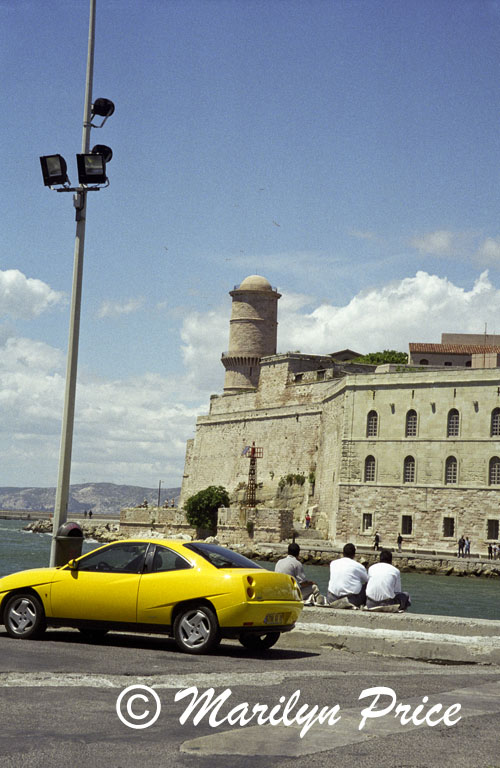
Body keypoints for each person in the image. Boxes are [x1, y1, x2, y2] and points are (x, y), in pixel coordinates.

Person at [327, 543, 368, 607]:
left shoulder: (333, 563)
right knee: (367, 585)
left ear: (343, 553)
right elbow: (367, 579)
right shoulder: (358, 566)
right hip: (351, 600)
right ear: (354, 554)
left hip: (332, 598)